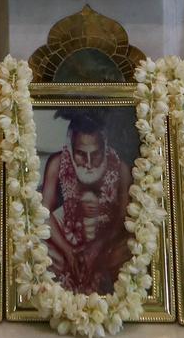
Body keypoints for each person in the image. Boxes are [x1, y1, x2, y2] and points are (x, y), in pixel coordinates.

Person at [40, 110, 132, 294]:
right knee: (40, 250)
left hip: (105, 247)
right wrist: (68, 251)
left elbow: (123, 218)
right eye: (81, 154)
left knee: (128, 249)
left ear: (105, 146)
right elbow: (44, 213)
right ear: (70, 148)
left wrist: (99, 246)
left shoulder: (121, 168)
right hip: (64, 246)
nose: (89, 163)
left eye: (95, 154)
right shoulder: (57, 163)